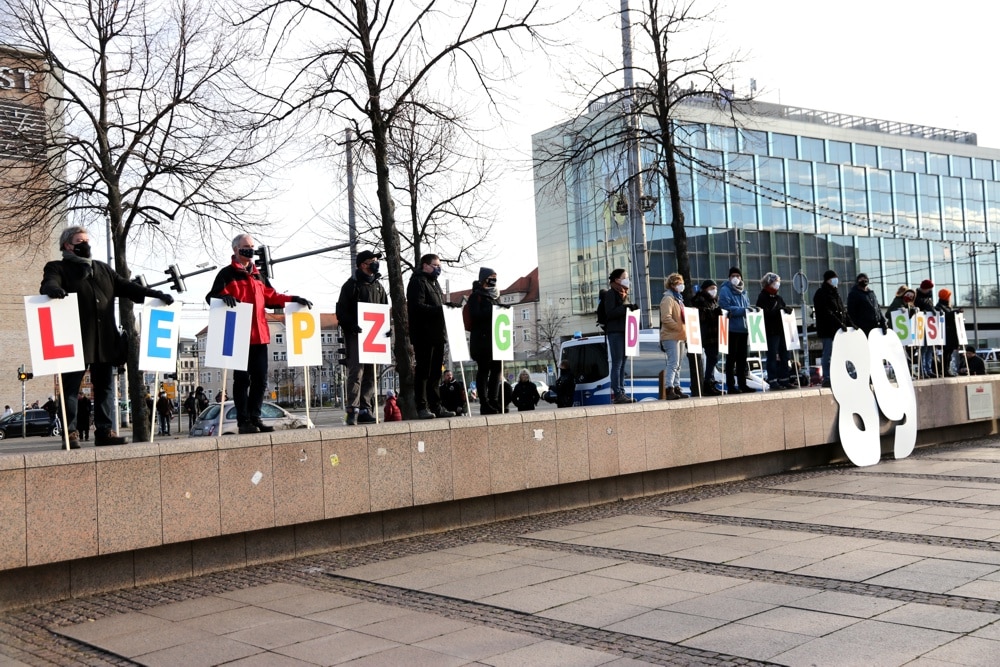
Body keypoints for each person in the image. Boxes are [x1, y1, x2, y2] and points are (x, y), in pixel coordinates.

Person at [40, 225, 173, 447]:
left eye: (87, 240)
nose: (86, 245)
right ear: (67, 245)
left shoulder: (103, 269)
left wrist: (154, 294)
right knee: (70, 388)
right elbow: (49, 282)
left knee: (105, 388)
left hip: (105, 340)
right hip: (74, 340)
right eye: (80, 241)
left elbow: (129, 287)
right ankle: (70, 434)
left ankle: (104, 432)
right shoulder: (57, 267)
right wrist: (52, 289)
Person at [207, 233, 312, 434]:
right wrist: (224, 297)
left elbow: (271, 297)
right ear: (236, 249)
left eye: (253, 246)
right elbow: (211, 297)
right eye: (247, 246)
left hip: (260, 336)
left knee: (261, 380)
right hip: (238, 336)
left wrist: (293, 298)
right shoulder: (227, 274)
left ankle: (255, 418)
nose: (251, 249)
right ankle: (243, 421)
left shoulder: (258, 275)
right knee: (242, 381)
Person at [335, 249, 386, 426]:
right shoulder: (351, 285)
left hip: (375, 336)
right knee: (356, 371)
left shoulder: (379, 286)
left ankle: (365, 408)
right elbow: (341, 311)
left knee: (372, 373)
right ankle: (353, 409)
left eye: (375, 260)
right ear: (362, 264)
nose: (375, 263)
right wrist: (352, 326)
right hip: (357, 335)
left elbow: (385, 309)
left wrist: (387, 329)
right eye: (371, 260)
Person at [407, 253, 457, 419]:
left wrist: (447, 309)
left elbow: (437, 307)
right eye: (435, 265)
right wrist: (440, 309)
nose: (438, 268)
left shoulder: (434, 284)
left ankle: (436, 406)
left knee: (436, 373)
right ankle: (421, 406)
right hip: (423, 335)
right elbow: (417, 307)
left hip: (437, 335)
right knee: (423, 372)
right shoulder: (417, 282)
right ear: (425, 265)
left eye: (439, 265)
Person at [469, 268, 504, 414]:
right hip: (482, 342)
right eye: (491, 277)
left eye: (495, 277)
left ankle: (493, 400)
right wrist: (494, 310)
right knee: (483, 371)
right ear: (484, 279)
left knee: (496, 370)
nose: (494, 280)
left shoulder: (495, 296)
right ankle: (484, 402)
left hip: (496, 340)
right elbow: (475, 315)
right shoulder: (476, 296)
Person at [601, 268, 639, 404]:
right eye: (625, 277)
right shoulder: (611, 294)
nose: (627, 279)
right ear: (617, 280)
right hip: (615, 332)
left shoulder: (623, 293)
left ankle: (622, 392)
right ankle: (617, 393)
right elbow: (610, 313)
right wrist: (627, 308)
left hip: (625, 331)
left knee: (622, 363)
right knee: (617, 363)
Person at [718, 267, 755, 394]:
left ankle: (742, 384)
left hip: (744, 329)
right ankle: (731, 386)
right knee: (731, 359)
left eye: (738, 276)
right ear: (729, 277)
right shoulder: (725, 290)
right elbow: (725, 307)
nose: (736, 278)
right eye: (733, 275)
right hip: (731, 329)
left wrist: (753, 310)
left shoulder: (744, 292)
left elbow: (747, 306)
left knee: (742, 359)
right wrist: (744, 311)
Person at [813, 270, 852, 388]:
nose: (836, 280)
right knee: (828, 354)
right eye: (834, 278)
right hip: (827, 329)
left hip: (838, 329)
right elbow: (825, 311)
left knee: (840, 354)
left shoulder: (836, 293)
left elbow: (842, 311)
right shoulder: (821, 293)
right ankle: (827, 377)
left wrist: (850, 323)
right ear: (828, 280)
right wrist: (839, 322)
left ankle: (840, 375)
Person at [756, 272, 793, 389]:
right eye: (775, 281)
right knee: (772, 356)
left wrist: (786, 310)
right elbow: (762, 313)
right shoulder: (762, 297)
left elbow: (782, 308)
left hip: (781, 331)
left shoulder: (778, 298)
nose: (778, 284)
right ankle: (772, 380)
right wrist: (778, 311)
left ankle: (784, 379)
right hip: (771, 331)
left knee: (785, 355)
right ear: (769, 282)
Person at [691, 280, 723, 396]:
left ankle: (710, 382)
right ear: (705, 289)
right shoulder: (700, 299)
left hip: (714, 335)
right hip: (706, 335)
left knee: (713, 359)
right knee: (711, 358)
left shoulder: (713, 301)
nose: (714, 290)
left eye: (715, 288)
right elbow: (701, 316)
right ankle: (707, 383)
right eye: (711, 288)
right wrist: (714, 313)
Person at [659, 273, 688, 400]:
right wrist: (678, 327)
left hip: (680, 336)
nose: (681, 285)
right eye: (678, 283)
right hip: (671, 336)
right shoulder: (668, 299)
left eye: (681, 282)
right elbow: (666, 318)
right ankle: (669, 388)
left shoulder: (679, 299)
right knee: (673, 363)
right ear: (672, 285)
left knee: (678, 364)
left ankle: (677, 387)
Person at [914, 279, 936, 378]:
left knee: (929, 348)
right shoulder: (917, 297)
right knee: (923, 348)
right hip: (921, 325)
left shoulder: (928, 297)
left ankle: (928, 369)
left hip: (930, 326)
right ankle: (923, 370)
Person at [936, 288, 960, 376]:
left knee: (949, 353)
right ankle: (945, 370)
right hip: (945, 334)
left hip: (950, 333)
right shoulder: (939, 307)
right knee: (946, 353)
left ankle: (947, 369)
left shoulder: (947, 306)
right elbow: (944, 316)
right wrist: (954, 313)